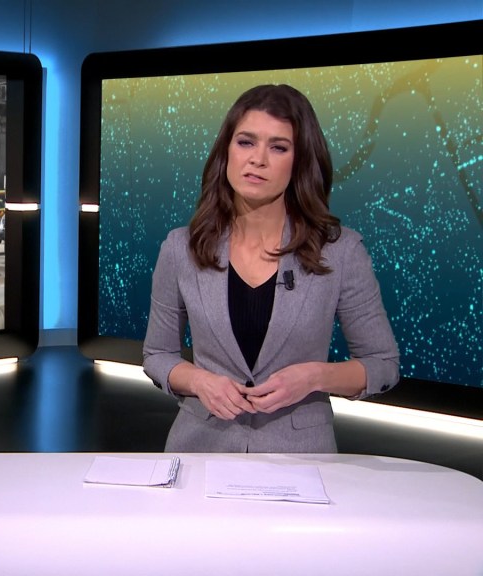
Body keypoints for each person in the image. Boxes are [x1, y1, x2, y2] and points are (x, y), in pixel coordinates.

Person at [142, 84, 399, 453]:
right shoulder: (181, 248)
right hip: (202, 449)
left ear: (300, 161)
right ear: (226, 151)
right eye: (246, 142)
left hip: (299, 456)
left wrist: (314, 377)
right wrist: (200, 382)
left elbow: (382, 365)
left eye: (278, 147)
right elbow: (157, 355)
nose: (257, 159)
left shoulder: (340, 252)